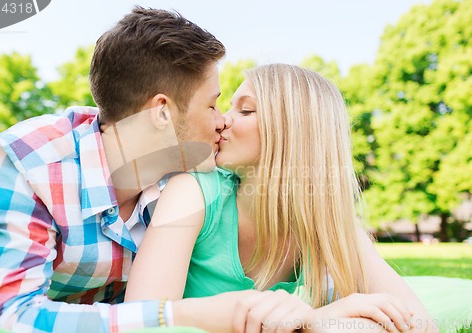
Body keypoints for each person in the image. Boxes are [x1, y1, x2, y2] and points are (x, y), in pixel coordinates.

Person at [0, 6, 247, 332]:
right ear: (161, 112)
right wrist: (173, 317)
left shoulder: (187, 181)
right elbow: (4, 317)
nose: (221, 122)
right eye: (212, 105)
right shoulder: (28, 162)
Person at [124, 64, 439, 333]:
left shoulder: (327, 223)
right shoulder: (193, 191)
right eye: (228, 107)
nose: (223, 121)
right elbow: (140, 321)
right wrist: (312, 321)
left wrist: (315, 322)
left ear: (291, 131)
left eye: (245, 110)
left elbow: (421, 324)